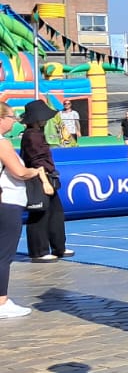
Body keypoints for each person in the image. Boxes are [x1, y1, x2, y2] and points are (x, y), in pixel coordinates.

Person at [0, 103, 47, 318]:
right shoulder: (3, 143)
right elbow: (18, 172)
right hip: (7, 201)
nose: (14, 121)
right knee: (4, 253)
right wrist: (35, 172)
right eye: (11, 117)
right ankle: (2, 301)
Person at [20, 101, 69, 263]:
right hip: (38, 177)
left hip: (47, 175)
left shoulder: (36, 133)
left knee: (56, 212)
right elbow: (36, 161)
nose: (45, 120)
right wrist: (45, 182)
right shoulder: (31, 135)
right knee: (39, 213)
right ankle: (39, 251)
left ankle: (58, 246)